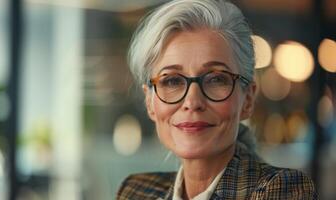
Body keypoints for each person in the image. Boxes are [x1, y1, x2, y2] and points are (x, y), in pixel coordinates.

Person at [116, 0, 318, 199]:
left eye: (216, 79)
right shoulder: (135, 191)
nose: (192, 101)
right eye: (172, 81)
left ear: (247, 99)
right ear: (150, 102)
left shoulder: (282, 190)